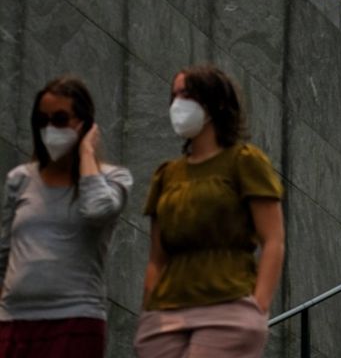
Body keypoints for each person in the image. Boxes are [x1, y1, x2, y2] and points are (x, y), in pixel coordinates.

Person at [135, 66, 285, 358]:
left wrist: (259, 306)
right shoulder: (167, 174)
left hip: (227, 304)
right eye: (174, 95)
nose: (178, 103)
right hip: (165, 313)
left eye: (188, 94)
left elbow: (273, 240)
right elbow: (157, 256)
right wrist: (147, 309)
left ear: (214, 103)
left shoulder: (244, 161)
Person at [0, 76, 132, 358]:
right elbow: (5, 253)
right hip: (14, 322)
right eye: (42, 120)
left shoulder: (112, 179)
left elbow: (97, 210)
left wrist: (86, 153)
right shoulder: (19, 179)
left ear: (84, 123)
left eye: (60, 119)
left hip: (75, 319)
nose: (50, 129)